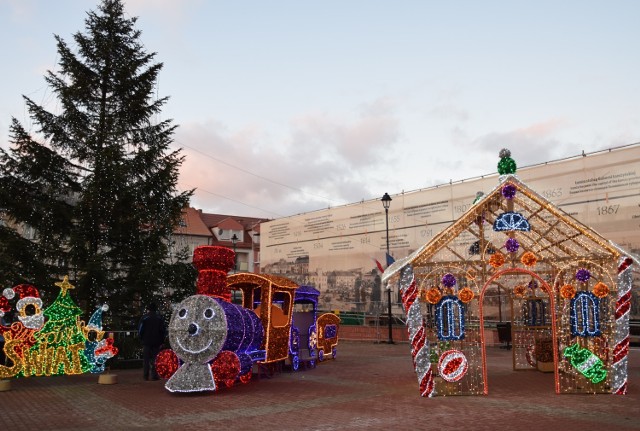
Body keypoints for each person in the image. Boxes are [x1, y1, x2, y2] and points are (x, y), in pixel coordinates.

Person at [138, 302, 166, 381]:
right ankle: (154, 375)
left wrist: (141, 338)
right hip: (157, 341)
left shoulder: (144, 318)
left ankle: (145, 375)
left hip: (146, 341)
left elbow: (140, 329)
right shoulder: (159, 318)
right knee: (155, 358)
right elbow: (163, 330)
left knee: (146, 359)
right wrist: (162, 340)